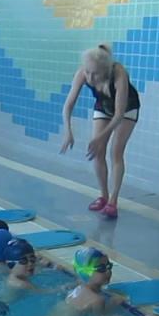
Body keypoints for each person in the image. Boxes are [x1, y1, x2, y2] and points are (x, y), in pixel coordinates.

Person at [60, 44, 141, 219]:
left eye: (95, 73)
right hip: (103, 107)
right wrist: (68, 130)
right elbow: (68, 105)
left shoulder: (119, 73)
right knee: (98, 152)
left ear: (104, 70)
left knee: (116, 152)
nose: (90, 77)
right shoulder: (83, 73)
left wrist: (100, 137)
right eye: (88, 72)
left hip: (126, 109)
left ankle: (113, 200)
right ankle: (103, 195)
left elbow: (119, 114)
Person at [31, 247, 126, 316]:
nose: (108, 271)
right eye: (101, 269)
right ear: (85, 272)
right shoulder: (97, 300)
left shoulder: (78, 287)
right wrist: (113, 303)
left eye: (109, 266)